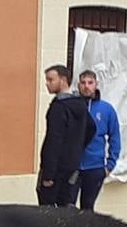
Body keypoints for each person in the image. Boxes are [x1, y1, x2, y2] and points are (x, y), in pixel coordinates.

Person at [38, 64, 95, 207]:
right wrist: (76, 149)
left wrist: (48, 174)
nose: (47, 84)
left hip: (56, 169)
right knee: (67, 208)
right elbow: (91, 128)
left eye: (51, 80)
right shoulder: (80, 104)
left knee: (48, 211)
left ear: (63, 80)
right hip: (73, 167)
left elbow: (54, 140)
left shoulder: (58, 108)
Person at [76, 70, 121, 211]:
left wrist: (110, 165)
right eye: (83, 83)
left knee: (87, 208)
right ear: (78, 86)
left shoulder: (106, 109)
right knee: (67, 207)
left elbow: (115, 137)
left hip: (94, 167)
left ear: (96, 85)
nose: (86, 86)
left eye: (90, 83)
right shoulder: (73, 107)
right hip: (73, 167)